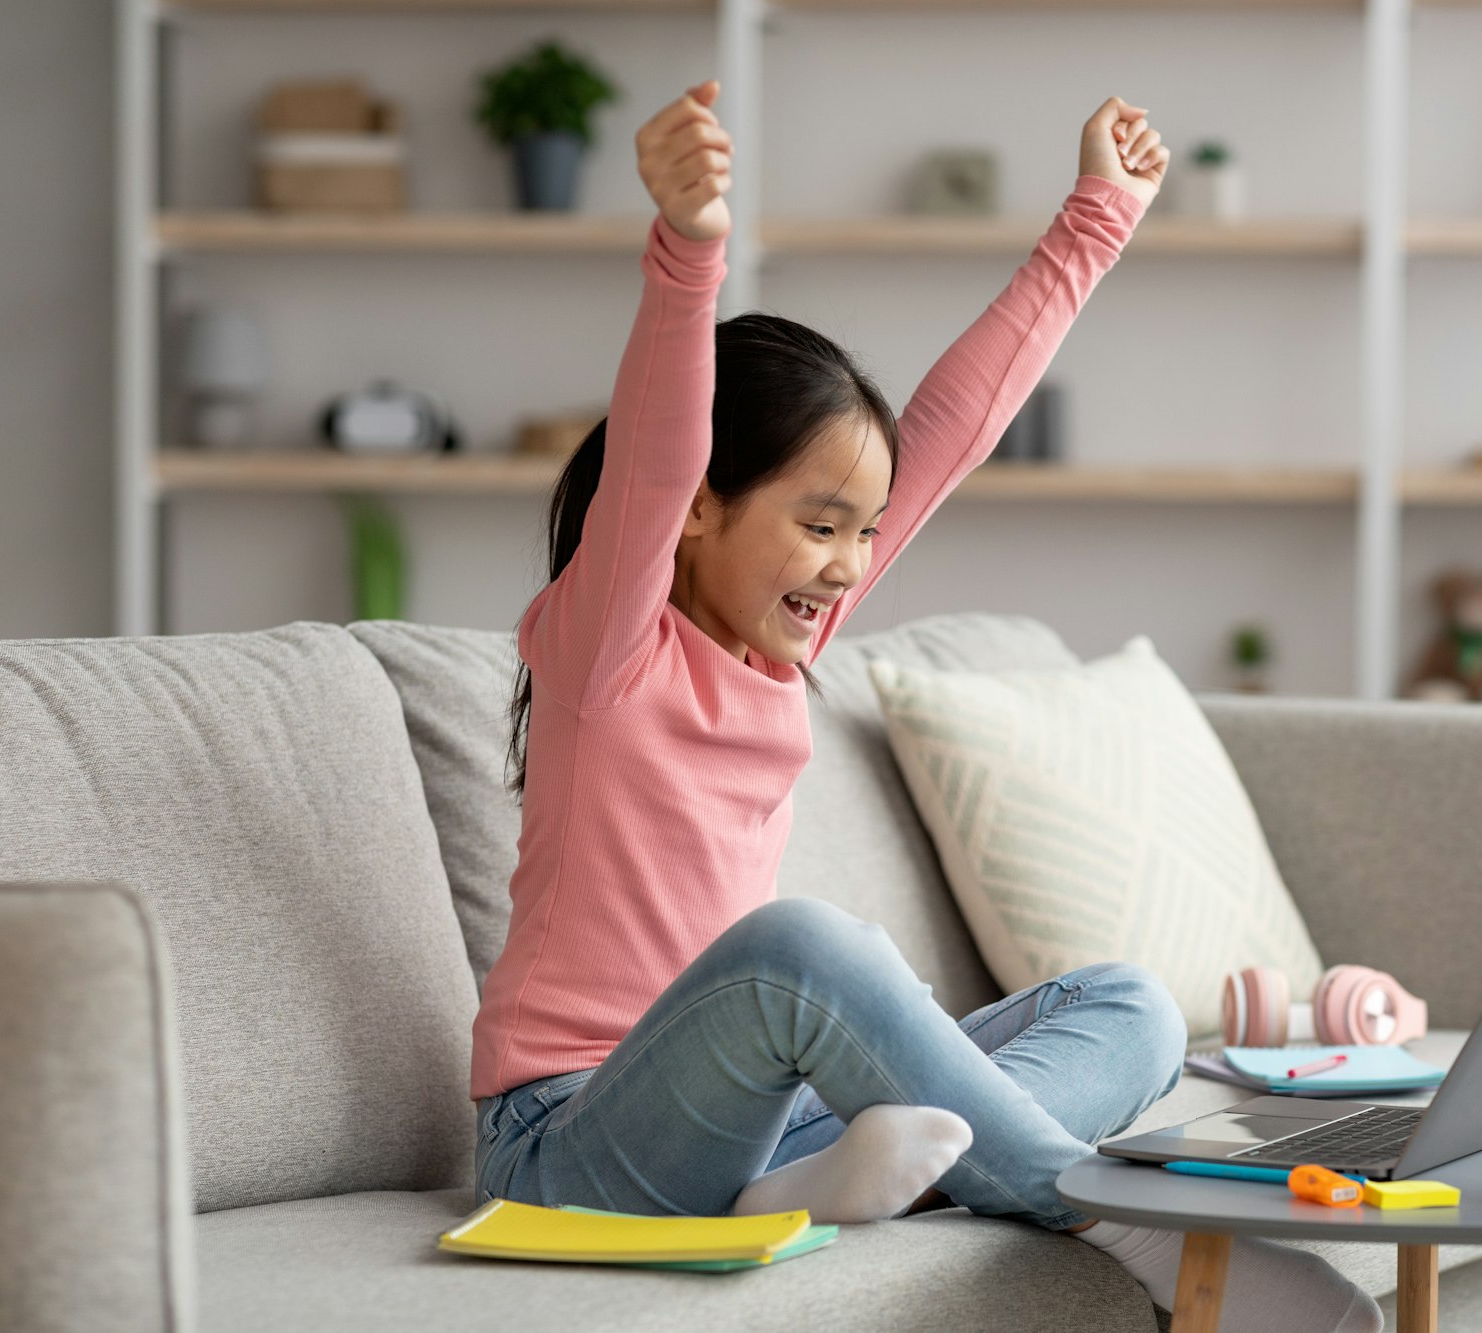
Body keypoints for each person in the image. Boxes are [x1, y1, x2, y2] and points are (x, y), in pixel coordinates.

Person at [471, 78, 1379, 1333]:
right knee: (803, 946)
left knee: (1129, 1004)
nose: (846, 564)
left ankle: (808, 1189)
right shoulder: (606, 644)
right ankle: (1122, 1222)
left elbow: (953, 427)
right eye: (816, 524)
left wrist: (1094, 220)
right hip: (567, 1144)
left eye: (862, 533)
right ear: (694, 512)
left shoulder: (787, 641)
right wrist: (688, 248)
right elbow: (659, 452)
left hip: (762, 1114)